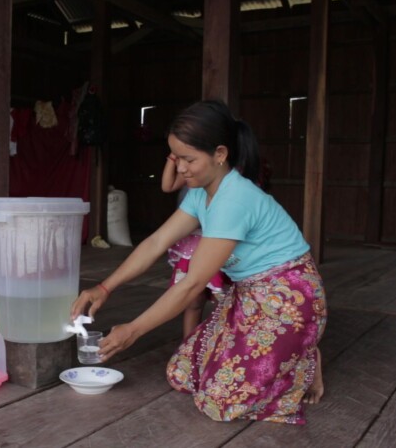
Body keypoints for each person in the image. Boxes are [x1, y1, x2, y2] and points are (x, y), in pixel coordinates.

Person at [71, 100, 327, 423]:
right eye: (176, 158)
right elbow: (155, 243)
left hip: (289, 301)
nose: (179, 169)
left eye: (188, 159)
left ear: (220, 154)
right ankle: (292, 354)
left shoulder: (234, 198)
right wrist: (104, 288)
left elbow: (192, 284)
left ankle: (302, 362)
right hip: (249, 297)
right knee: (181, 372)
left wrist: (133, 331)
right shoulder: (199, 191)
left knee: (219, 402)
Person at [161, 152, 230, 339]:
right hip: (192, 240)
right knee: (193, 301)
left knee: (221, 297)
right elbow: (167, 186)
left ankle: (223, 346)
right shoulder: (189, 177)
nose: (183, 167)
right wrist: (172, 158)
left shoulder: (230, 185)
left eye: (190, 159)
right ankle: (188, 347)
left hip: (216, 241)